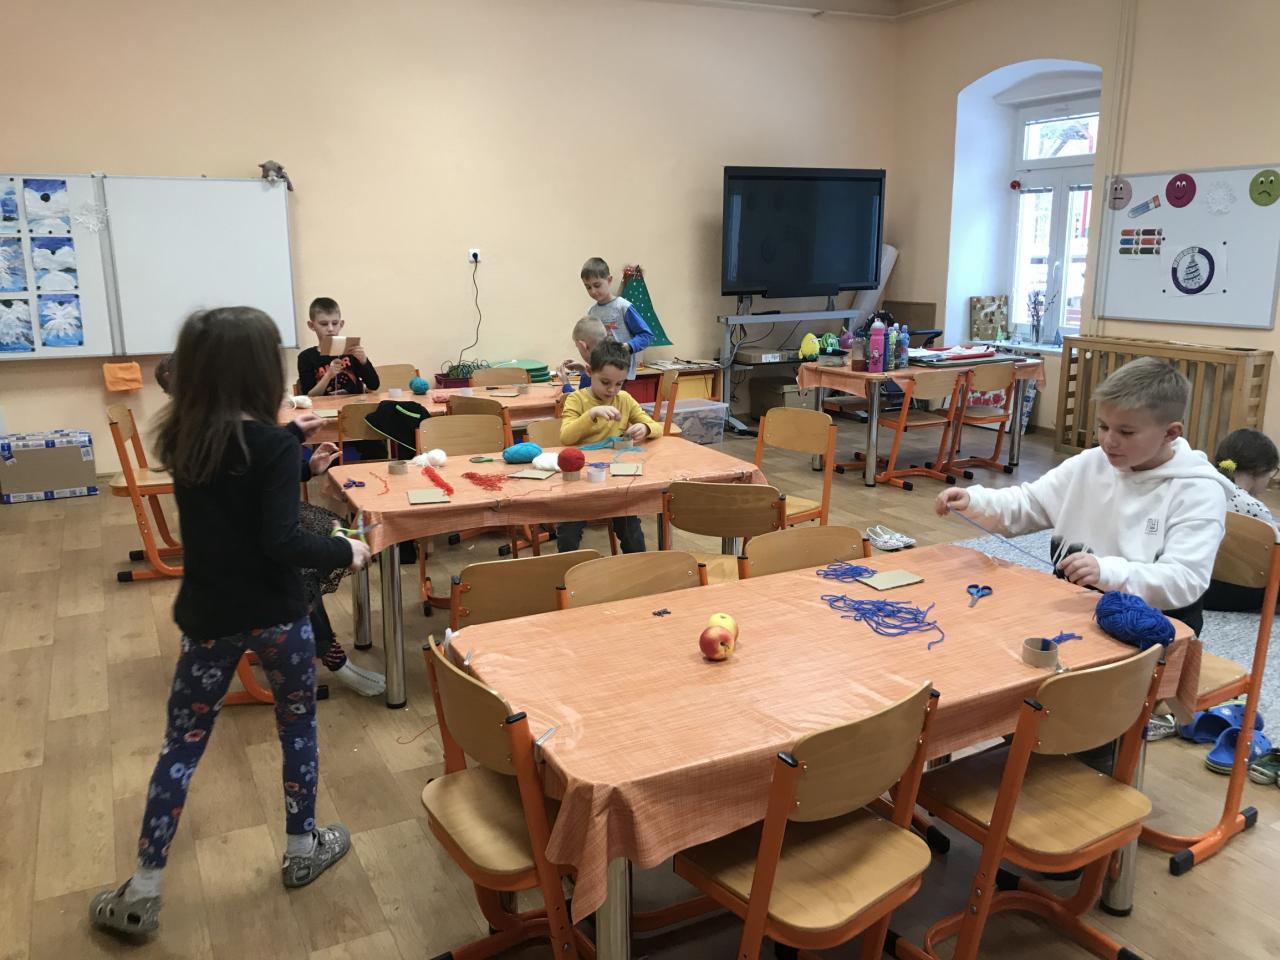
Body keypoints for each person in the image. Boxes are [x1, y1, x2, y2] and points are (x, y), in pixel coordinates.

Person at [89, 307, 371, 938]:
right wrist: (344, 551)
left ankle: (143, 890)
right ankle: (302, 849)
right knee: (297, 728)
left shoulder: (187, 439)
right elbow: (281, 540)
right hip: (278, 618)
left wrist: (298, 458)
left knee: (181, 747)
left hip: (210, 619)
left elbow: (234, 485)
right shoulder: (269, 443)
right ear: (259, 373)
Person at [936, 356, 1231, 635]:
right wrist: (976, 502)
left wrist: (1106, 571)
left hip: (1153, 627)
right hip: (1076, 606)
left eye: (1126, 432)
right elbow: (1029, 504)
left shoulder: (1198, 491)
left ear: (1170, 433)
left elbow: (1184, 580)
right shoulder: (1091, 463)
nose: (1109, 441)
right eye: (1103, 426)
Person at [157, 345, 382, 695]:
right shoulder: (198, 435)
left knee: (322, 532)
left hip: (244, 537)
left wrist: (302, 462)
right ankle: (329, 654)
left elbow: (247, 468)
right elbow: (259, 509)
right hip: (236, 556)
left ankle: (301, 636)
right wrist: (340, 551)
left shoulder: (209, 428)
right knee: (301, 566)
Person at [557, 340, 659, 553]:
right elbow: (566, 437)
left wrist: (645, 427)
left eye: (619, 384)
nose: (612, 390)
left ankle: (638, 566)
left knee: (631, 531)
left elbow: (656, 427)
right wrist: (591, 414)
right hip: (581, 481)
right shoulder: (576, 399)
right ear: (589, 372)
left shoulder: (624, 400)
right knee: (568, 532)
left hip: (615, 481)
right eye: (605, 382)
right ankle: (567, 569)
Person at [1204, 427, 1280, 611]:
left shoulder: (1203, 487)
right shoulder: (1255, 509)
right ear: (1259, 470)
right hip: (1241, 592)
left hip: (1203, 587)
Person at [580, 257, 653, 380]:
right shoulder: (591, 312)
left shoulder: (623, 307)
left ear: (609, 280)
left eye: (597, 285)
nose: (593, 291)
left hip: (621, 374)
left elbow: (646, 336)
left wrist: (628, 346)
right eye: (588, 287)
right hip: (601, 373)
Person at [297, 296, 381, 397]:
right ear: (311, 325)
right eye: (324, 324)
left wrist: (364, 361)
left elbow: (374, 385)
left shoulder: (351, 351)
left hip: (353, 404)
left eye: (335, 323)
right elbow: (309, 396)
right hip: (324, 406)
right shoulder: (306, 357)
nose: (330, 329)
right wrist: (328, 376)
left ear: (341, 324)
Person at [556, 315, 607, 391]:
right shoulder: (610, 366)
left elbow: (578, 398)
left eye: (578, 347)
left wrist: (566, 383)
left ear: (583, 346)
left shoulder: (592, 376)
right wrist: (583, 370)